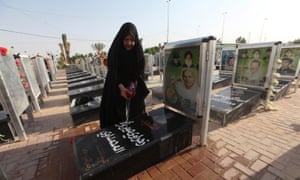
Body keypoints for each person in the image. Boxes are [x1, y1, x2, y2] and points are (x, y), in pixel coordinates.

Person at [99, 22, 150, 128]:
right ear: (121, 39)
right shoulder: (115, 51)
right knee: (116, 115)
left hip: (132, 84)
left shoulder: (137, 52)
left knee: (137, 112)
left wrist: (133, 86)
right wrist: (121, 88)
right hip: (116, 83)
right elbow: (113, 72)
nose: (129, 43)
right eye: (126, 40)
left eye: (132, 40)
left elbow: (139, 72)